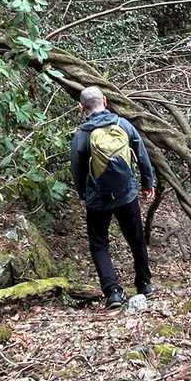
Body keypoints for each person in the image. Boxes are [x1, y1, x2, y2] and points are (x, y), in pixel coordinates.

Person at [69, 85, 156, 309]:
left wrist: (83, 193)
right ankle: (144, 284)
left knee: (99, 244)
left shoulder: (82, 134)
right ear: (105, 101)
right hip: (127, 194)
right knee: (136, 239)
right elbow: (142, 155)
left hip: (98, 200)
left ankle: (113, 293)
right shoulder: (123, 124)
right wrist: (147, 183)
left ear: (82, 108)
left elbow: (77, 169)